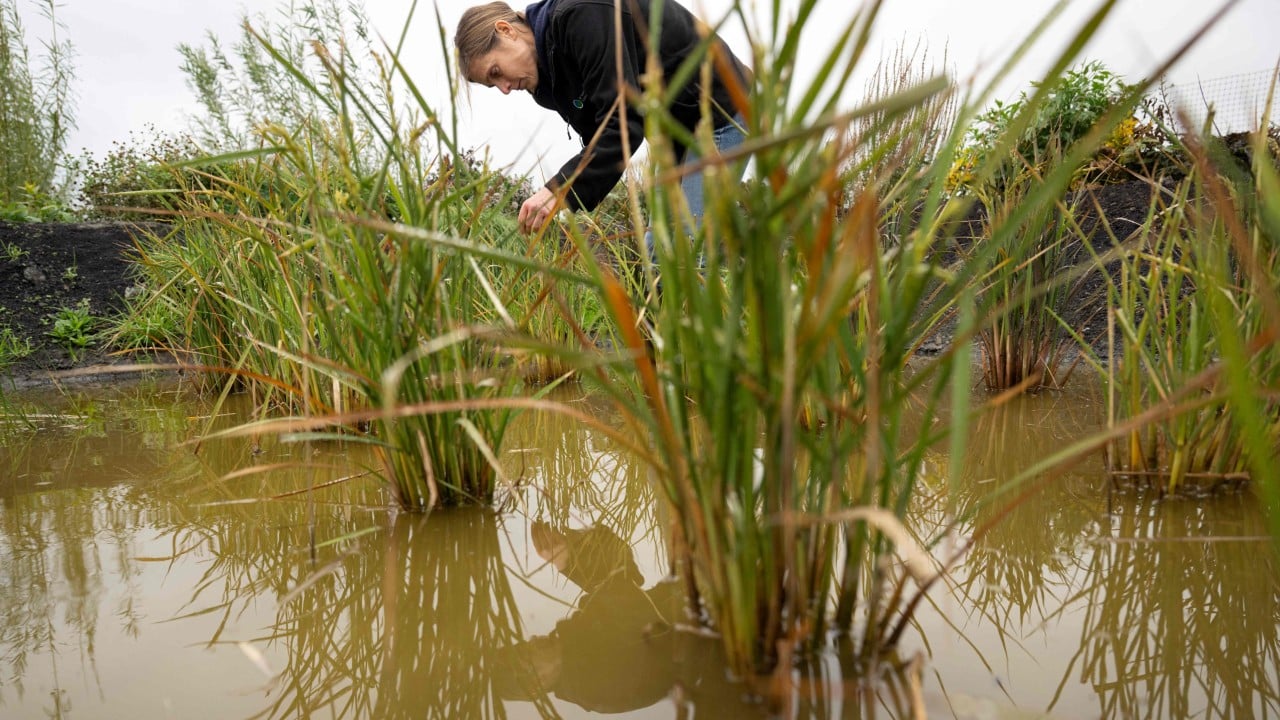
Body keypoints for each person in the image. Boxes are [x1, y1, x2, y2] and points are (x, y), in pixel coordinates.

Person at [454, 0, 751, 237]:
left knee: (686, 249)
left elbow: (621, 126)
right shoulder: (550, 78)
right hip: (676, 136)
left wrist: (556, 190)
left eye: (496, 72)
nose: (504, 88)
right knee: (657, 258)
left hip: (721, 110)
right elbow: (601, 136)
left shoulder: (583, 15)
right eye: (494, 85)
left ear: (506, 30)